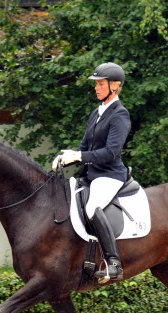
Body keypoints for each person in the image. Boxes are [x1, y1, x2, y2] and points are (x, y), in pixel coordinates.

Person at [52, 62, 131, 281]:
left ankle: (114, 263)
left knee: (91, 207)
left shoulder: (120, 115)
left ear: (114, 86)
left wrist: (79, 157)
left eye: (101, 84)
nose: (96, 88)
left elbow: (111, 152)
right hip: (92, 175)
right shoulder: (96, 113)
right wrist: (66, 157)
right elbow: (84, 148)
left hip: (110, 175)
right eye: (96, 84)